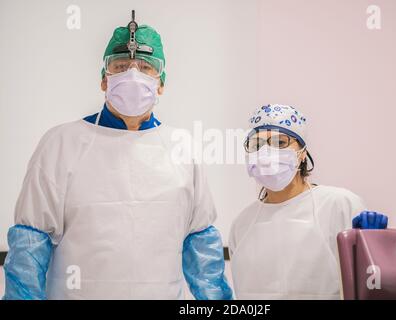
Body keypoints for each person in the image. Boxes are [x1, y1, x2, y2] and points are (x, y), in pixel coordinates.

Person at [2, 11, 232, 300]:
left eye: (146, 68)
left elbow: (202, 250)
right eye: (121, 65)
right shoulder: (62, 144)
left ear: (161, 82)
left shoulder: (182, 148)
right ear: (104, 80)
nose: (132, 74)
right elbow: (29, 246)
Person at [229, 104, 388, 299]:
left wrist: (379, 250)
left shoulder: (339, 205)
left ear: (302, 153)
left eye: (280, 142)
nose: (265, 153)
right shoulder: (242, 224)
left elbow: (374, 286)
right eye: (256, 145)